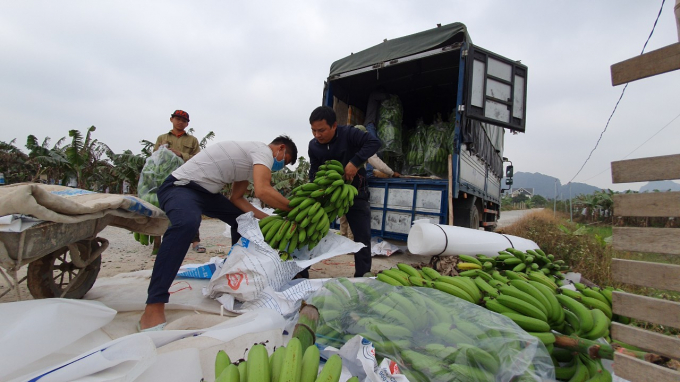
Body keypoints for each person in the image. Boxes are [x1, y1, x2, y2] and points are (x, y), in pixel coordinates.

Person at [139, 136, 298, 331]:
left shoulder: (248, 165)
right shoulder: (262, 151)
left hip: (206, 194)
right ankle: (154, 304)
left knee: (243, 220)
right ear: (280, 148)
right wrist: (295, 211)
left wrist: (270, 219)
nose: (281, 166)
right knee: (187, 224)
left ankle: (238, 276)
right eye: (285, 160)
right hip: (180, 186)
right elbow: (262, 191)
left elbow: (237, 199)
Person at [306, 106, 381, 277]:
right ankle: (301, 273)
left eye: (321, 130)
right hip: (328, 196)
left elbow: (374, 143)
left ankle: (362, 276)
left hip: (355, 193)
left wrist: (354, 162)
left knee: (362, 237)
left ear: (334, 126)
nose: (317, 135)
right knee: (310, 232)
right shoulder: (314, 146)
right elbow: (314, 171)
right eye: (313, 130)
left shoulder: (349, 133)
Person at [152, 110, 204, 253]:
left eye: (183, 120)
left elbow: (198, 158)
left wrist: (181, 154)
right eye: (177, 118)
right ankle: (159, 243)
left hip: (186, 178)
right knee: (163, 209)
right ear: (171, 120)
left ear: (187, 124)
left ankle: (195, 242)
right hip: (165, 177)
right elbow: (154, 157)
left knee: (192, 208)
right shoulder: (162, 138)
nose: (180, 122)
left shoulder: (192, 140)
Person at [339, 125, 400, 240]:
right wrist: (392, 173)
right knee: (354, 213)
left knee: (343, 213)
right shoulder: (364, 149)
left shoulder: (345, 147)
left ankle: (343, 238)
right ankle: (351, 241)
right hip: (355, 186)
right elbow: (378, 163)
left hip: (342, 186)